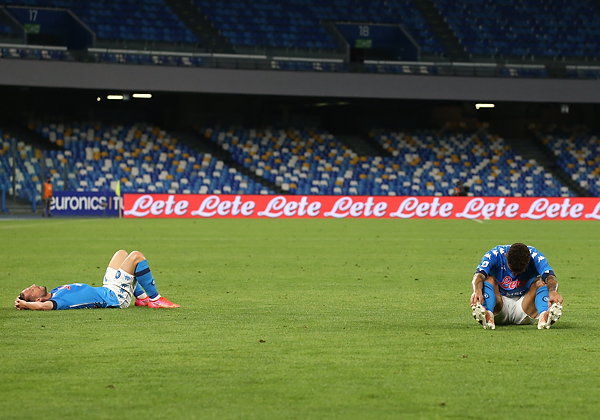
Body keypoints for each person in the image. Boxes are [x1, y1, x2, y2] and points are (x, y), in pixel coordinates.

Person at [14, 250, 179, 310]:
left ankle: (142, 299)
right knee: (136, 256)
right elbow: (43, 307)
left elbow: (39, 302)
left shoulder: (55, 291)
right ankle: (155, 299)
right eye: (30, 290)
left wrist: (22, 300)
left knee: (121, 253)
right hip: (115, 297)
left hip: (107, 287)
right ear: (37, 298)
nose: (33, 285)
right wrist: (26, 304)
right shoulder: (58, 301)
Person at [470, 242, 563, 330]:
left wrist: (552, 292)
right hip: (498, 306)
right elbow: (478, 275)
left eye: (519, 272)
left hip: (525, 308)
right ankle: (488, 315)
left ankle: (544, 316)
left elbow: (550, 276)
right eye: (512, 270)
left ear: (528, 262)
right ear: (506, 257)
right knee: (487, 278)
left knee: (543, 282)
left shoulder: (535, 257)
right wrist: (476, 290)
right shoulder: (495, 254)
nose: (514, 275)